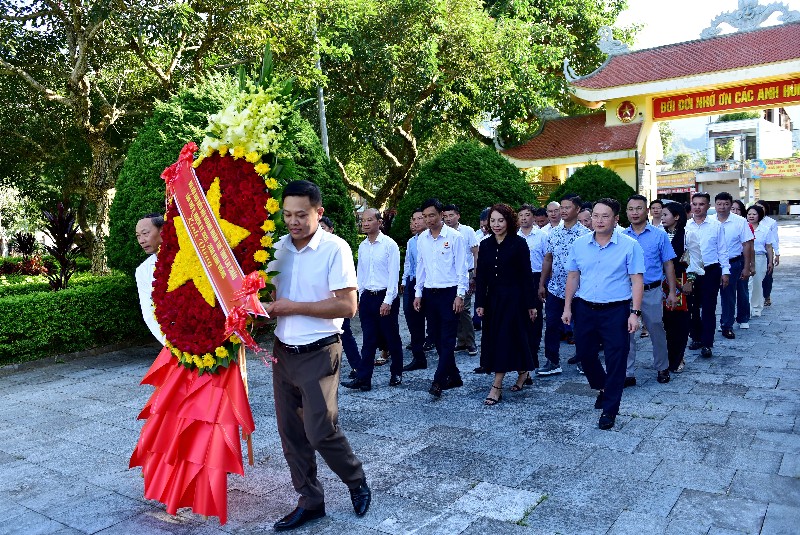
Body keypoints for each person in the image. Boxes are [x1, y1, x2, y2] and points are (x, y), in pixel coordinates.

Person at [265, 180, 370, 531]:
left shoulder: (335, 249)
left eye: (301, 215)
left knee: (320, 430)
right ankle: (311, 501)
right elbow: (261, 291)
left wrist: (292, 307)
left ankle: (355, 480)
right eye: (287, 215)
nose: (293, 222)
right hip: (283, 353)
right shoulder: (276, 248)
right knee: (291, 434)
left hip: (319, 353)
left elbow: (347, 305)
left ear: (318, 212)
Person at [562, 198, 644, 430]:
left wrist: (634, 313)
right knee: (585, 356)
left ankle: (610, 410)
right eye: (595, 215)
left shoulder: (629, 246)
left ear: (616, 219)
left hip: (616, 310)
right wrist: (568, 307)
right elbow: (573, 276)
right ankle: (603, 386)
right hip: (585, 308)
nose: (598, 220)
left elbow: (636, 280)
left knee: (616, 361)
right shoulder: (579, 244)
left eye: (605, 216)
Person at [475, 204, 537, 405]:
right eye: (492, 220)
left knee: (506, 339)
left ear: (509, 221)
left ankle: (496, 385)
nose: (496, 224)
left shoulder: (518, 244)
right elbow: (481, 277)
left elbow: (527, 276)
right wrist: (480, 302)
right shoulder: (485, 245)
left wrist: (531, 304)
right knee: (500, 339)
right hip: (493, 301)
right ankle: (523, 372)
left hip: (514, 301)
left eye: (500, 220)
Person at [342, 209, 404, 391]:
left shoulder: (389, 245)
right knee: (368, 340)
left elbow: (394, 276)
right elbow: (360, 273)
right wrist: (359, 297)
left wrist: (388, 300)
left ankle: (396, 372)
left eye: (370, 220)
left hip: (385, 296)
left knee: (391, 337)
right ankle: (364, 378)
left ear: (379, 222)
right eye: (363, 220)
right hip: (368, 297)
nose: (365, 223)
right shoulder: (362, 246)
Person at [414, 198, 468, 398]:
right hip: (430, 293)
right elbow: (421, 267)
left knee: (447, 339)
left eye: (432, 215)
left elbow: (462, 267)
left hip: (449, 293)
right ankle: (454, 376)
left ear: (441, 215)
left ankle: (438, 380)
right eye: (425, 216)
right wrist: (418, 293)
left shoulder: (454, 237)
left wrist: (460, 295)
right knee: (436, 338)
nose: (428, 220)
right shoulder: (422, 239)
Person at [623, 195, 677, 386]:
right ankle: (627, 372)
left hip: (651, 290)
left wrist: (671, 292)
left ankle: (662, 367)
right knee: (626, 333)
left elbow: (668, 264)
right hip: (626, 292)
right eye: (631, 209)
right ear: (626, 212)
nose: (634, 212)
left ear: (646, 211)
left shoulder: (659, 234)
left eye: (639, 208)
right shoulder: (621, 236)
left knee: (656, 328)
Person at [537, 195, 591, 376]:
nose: (564, 210)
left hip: (580, 291)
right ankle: (552, 361)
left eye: (568, 207)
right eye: (562, 207)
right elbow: (548, 259)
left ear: (577, 209)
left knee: (582, 326)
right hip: (556, 288)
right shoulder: (553, 233)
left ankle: (584, 360)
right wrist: (542, 284)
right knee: (552, 324)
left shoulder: (586, 234)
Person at [686, 192, 729, 359]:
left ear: (707, 206)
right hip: (691, 272)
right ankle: (695, 337)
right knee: (692, 308)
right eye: (695, 204)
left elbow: (722, 250)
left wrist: (725, 272)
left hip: (711, 271)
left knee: (709, 308)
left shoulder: (716, 225)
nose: (697, 207)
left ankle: (707, 343)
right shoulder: (686, 226)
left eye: (701, 204)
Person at [661, 202, 703, 373]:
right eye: (661, 215)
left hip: (682, 282)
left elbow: (696, 259)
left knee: (679, 323)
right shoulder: (658, 234)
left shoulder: (688, 235)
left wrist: (690, 281)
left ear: (677, 217)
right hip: (660, 284)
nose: (662, 218)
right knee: (663, 323)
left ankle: (678, 357)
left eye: (665, 214)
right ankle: (665, 357)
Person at [320, 216, 361, 377]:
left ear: (331, 229)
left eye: (323, 228)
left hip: (339, 300)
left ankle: (357, 365)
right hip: (323, 301)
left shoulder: (337, 247)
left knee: (345, 332)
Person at [715, 192, 754, 338]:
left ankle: (727, 325)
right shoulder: (710, 220)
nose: (722, 207)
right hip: (713, 264)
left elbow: (747, 245)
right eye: (719, 204)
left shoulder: (740, 221)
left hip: (733, 263)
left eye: (726, 204)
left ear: (731, 205)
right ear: (715, 205)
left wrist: (746, 267)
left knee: (728, 295)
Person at [443, 204, 478, 356]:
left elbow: (476, 253)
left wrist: (475, 275)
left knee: (464, 308)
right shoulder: (442, 232)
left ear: (458, 216)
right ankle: (461, 341)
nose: (448, 219)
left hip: (467, 273)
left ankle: (471, 342)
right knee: (454, 308)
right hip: (450, 276)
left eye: (451, 215)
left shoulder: (468, 231)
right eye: (446, 216)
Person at [517, 203, 547, 374]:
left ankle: (533, 352)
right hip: (519, 279)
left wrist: (542, 283)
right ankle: (522, 352)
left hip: (536, 278)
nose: (523, 218)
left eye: (527, 215)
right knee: (520, 316)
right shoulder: (514, 236)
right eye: (520, 215)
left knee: (535, 316)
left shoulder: (541, 236)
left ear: (533, 217)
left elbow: (546, 260)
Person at [401, 208, 429, 372]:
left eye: (420, 218)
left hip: (429, 284)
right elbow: (409, 264)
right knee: (413, 320)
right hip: (413, 283)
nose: (416, 222)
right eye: (414, 219)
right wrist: (405, 281)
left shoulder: (431, 239)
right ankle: (419, 357)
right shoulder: (412, 241)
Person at [135, 213, 167, 345]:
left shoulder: (187, 255)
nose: (141, 240)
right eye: (138, 236)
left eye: (145, 233)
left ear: (162, 230)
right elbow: (149, 313)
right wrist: (170, 342)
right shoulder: (143, 271)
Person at [747, 204, 775, 318]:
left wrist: (770, 261)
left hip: (760, 258)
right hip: (745, 258)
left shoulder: (765, 230)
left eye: (754, 214)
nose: (751, 216)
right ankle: (746, 307)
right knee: (746, 285)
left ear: (760, 215)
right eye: (749, 214)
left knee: (757, 283)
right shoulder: (743, 227)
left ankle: (757, 307)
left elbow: (769, 247)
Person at [755, 200, 779, 306]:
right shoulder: (749, 220)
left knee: (767, 275)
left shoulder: (771, 222)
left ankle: (767, 296)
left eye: (761, 207)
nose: (759, 209)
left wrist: (777, 253)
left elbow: (774, 239)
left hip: (765, 252)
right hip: (752, 253)